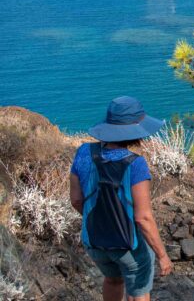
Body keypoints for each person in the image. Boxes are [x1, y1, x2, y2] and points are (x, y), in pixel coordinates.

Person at [69, 96, 173, 301]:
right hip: (127, 245)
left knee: (113, 280)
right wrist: (162, 255)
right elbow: (142, 218)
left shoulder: (82, 153)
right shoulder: (136, 164)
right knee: (138, 291)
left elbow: (76, 200)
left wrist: (100, 220)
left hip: (94, 242)